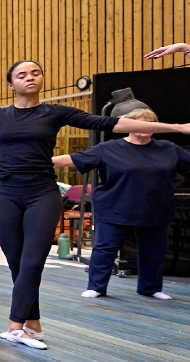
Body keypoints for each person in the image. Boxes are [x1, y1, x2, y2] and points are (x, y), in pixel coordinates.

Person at [0, 60, 190, 350]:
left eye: (36, 73)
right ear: (11, 84)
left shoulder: (56, 113)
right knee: (17, 263)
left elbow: (109, 122)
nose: (31, 77)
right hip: (7, 194)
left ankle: (15, 326)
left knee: (32, 261)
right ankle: (34, 325)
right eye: (23, 75)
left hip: (42, 193)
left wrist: (177, 129)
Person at [51, 107, 190, 301]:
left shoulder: (169, 149)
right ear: (128, 125)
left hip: (155, 209)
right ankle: (96, 286)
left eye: (151, 124)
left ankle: (150, 288)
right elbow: (75, 159)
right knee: (105, 248)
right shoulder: (109, 148)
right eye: (141, 123)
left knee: (154, 251)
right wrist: (41, 162)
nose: (146, 127)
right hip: (114, 208)